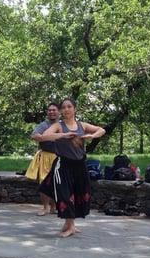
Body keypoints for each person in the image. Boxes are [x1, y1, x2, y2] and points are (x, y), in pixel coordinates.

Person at [39, 98, 106, 237]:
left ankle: (70, 224)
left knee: (79, 193)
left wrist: (91, 135)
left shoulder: (82, 125)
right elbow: (44, 136)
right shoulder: (59, 125)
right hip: (63, 165)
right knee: (65, 195)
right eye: (63, 107)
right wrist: (63, 135)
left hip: (80, 165)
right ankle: (70, 226)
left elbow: (102, 130)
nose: (66, 109)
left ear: (74, 109)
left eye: (69, 106)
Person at [25, 102, 60, 216]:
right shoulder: (44, 125)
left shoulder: (63, 125)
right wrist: (52, 137)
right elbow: (34, 136)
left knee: (58, 183)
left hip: (60, 157)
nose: (51, 112)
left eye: (54, 110)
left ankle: (54, 207)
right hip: (45, 156)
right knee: (44, 182)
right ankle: (45, 207)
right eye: (49, 110)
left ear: (59, 112)